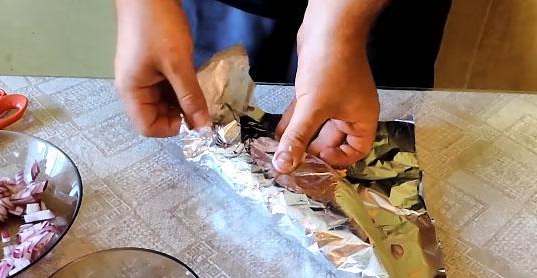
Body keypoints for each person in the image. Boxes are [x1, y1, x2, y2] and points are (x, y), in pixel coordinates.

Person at [113, 0, 451, 173]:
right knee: (202, 119)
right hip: (221, 10)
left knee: (344, 132)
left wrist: (341, 27)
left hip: (378, 16)